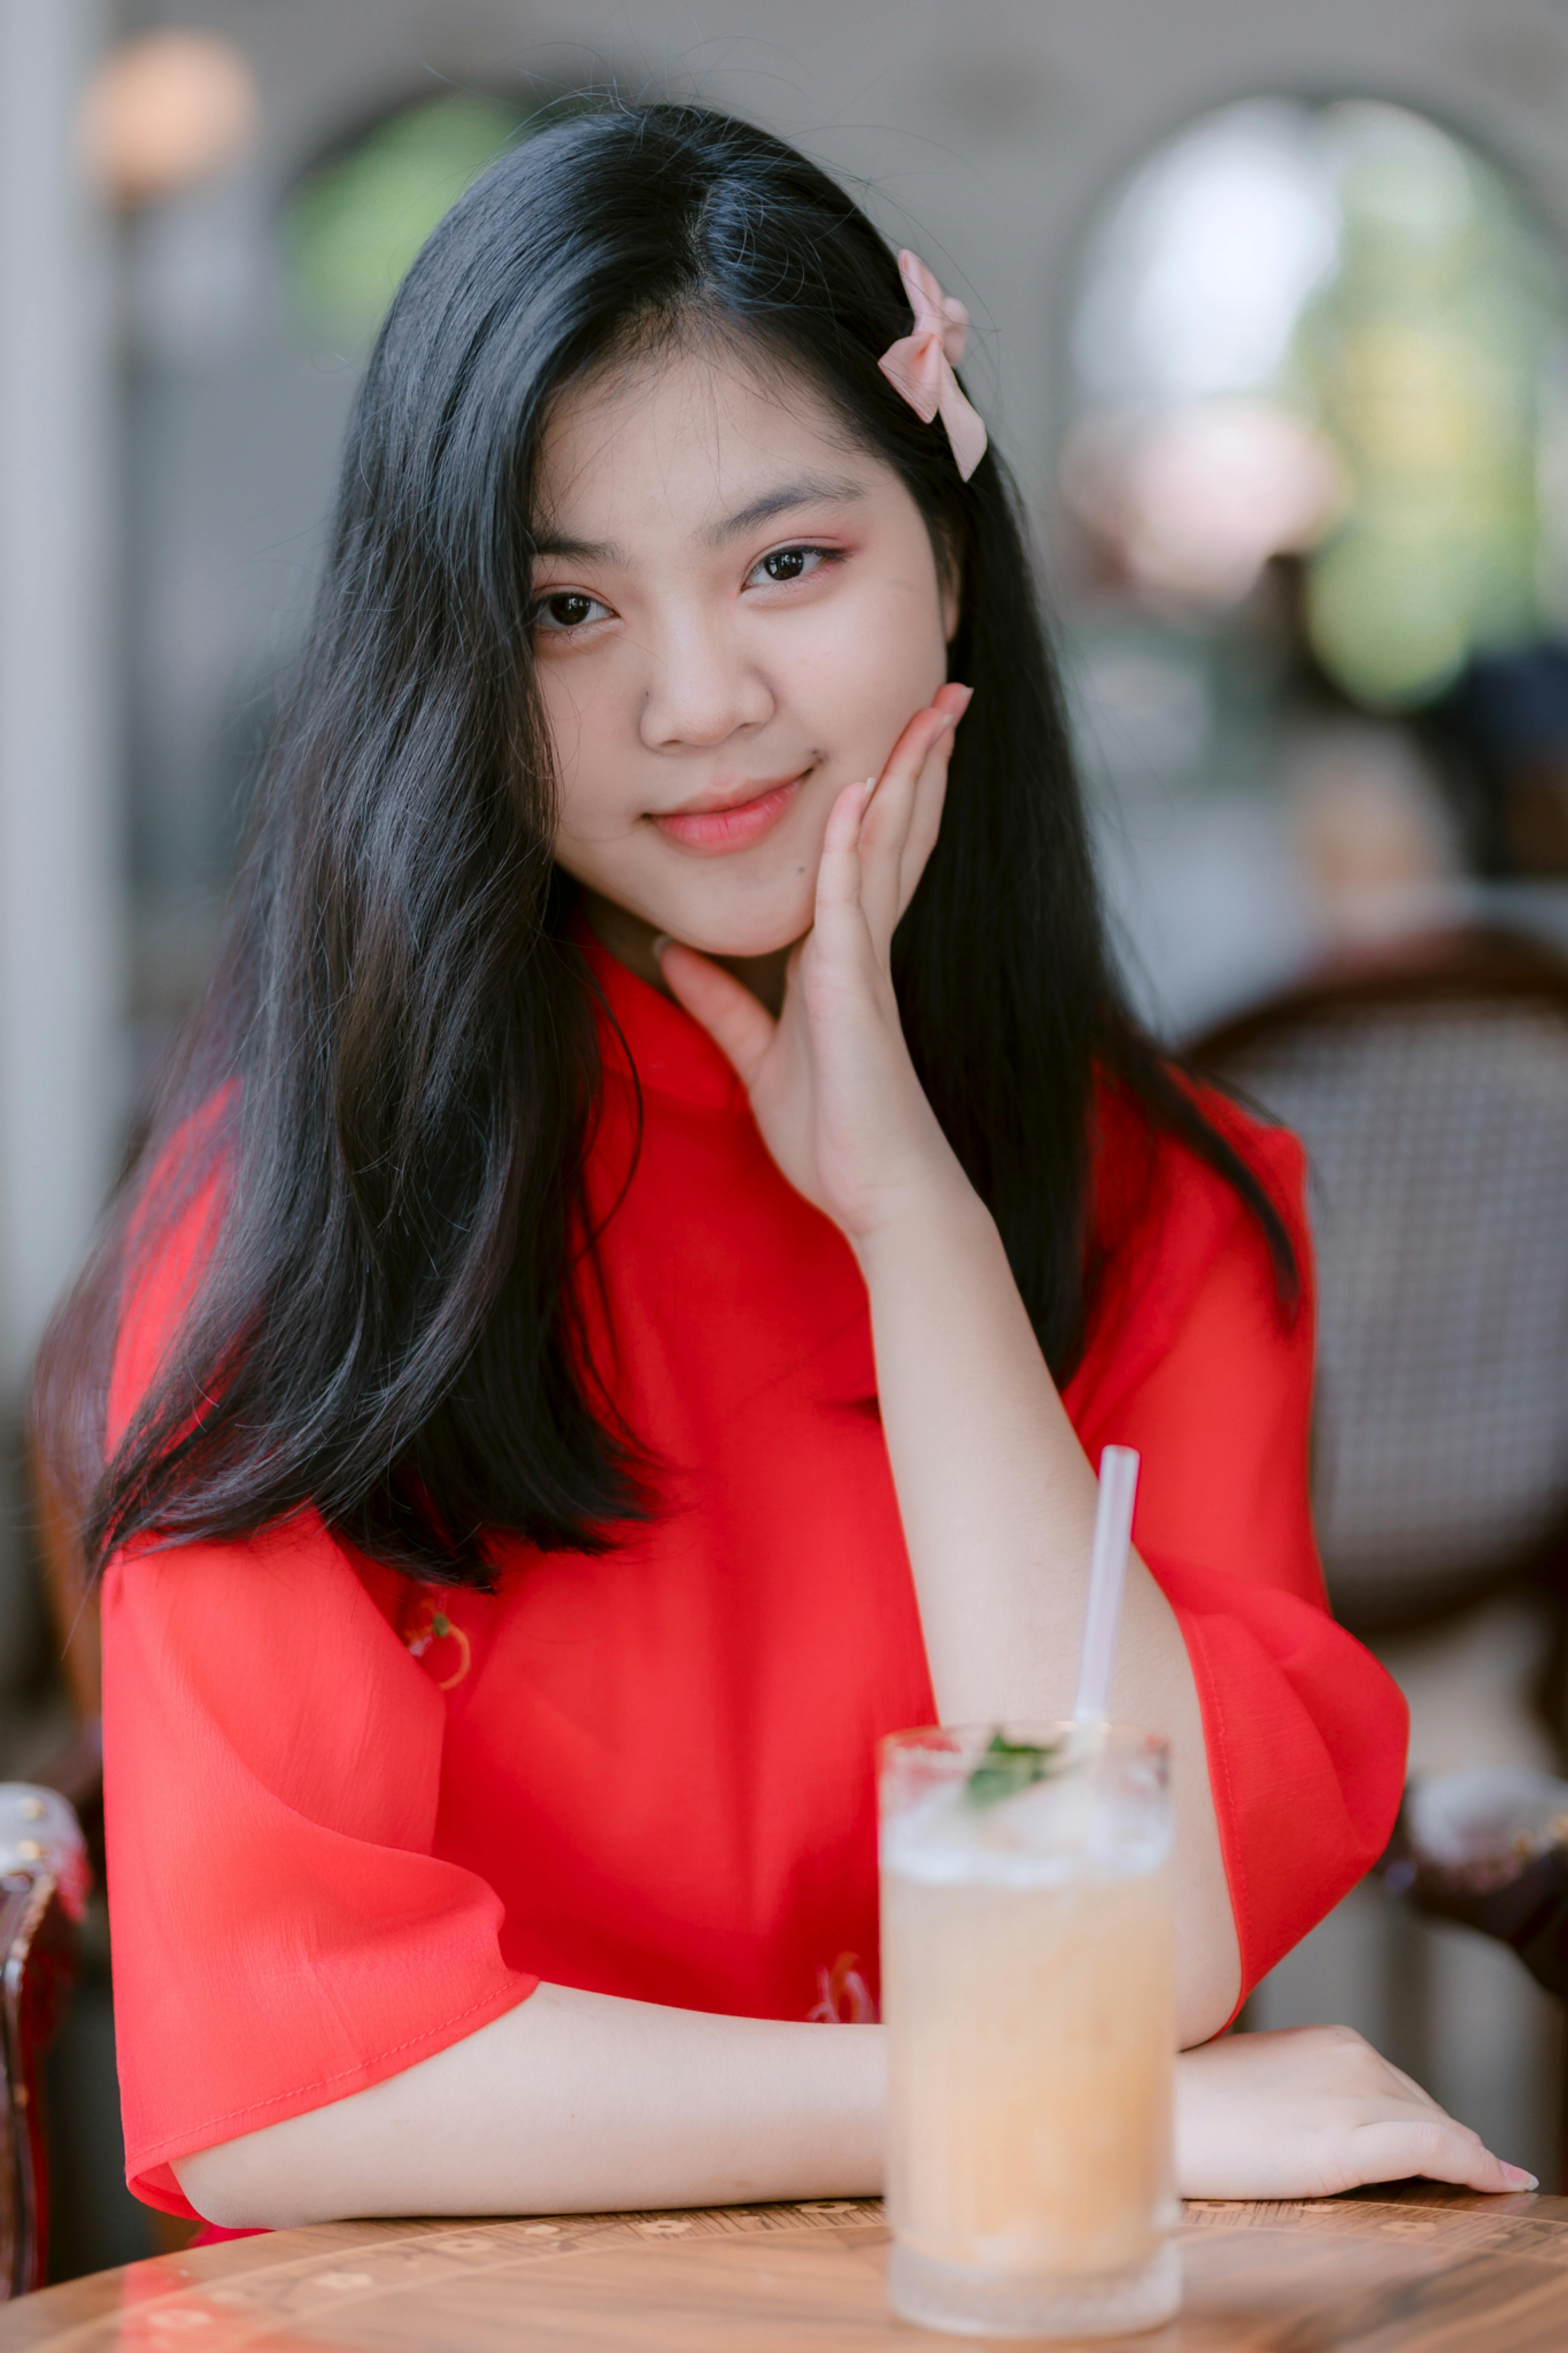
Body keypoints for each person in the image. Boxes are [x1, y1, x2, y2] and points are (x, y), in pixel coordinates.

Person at [40, 103, 1531, 2230]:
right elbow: (290, 2097)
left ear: (950, 562)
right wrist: (1024, 2094)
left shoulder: (1161, 1206)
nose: (694, 700)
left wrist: (911, 1220)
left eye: (786, 564)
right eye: (566, 607)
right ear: (446, 660)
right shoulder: (310, 1216)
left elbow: (1151, 1946)